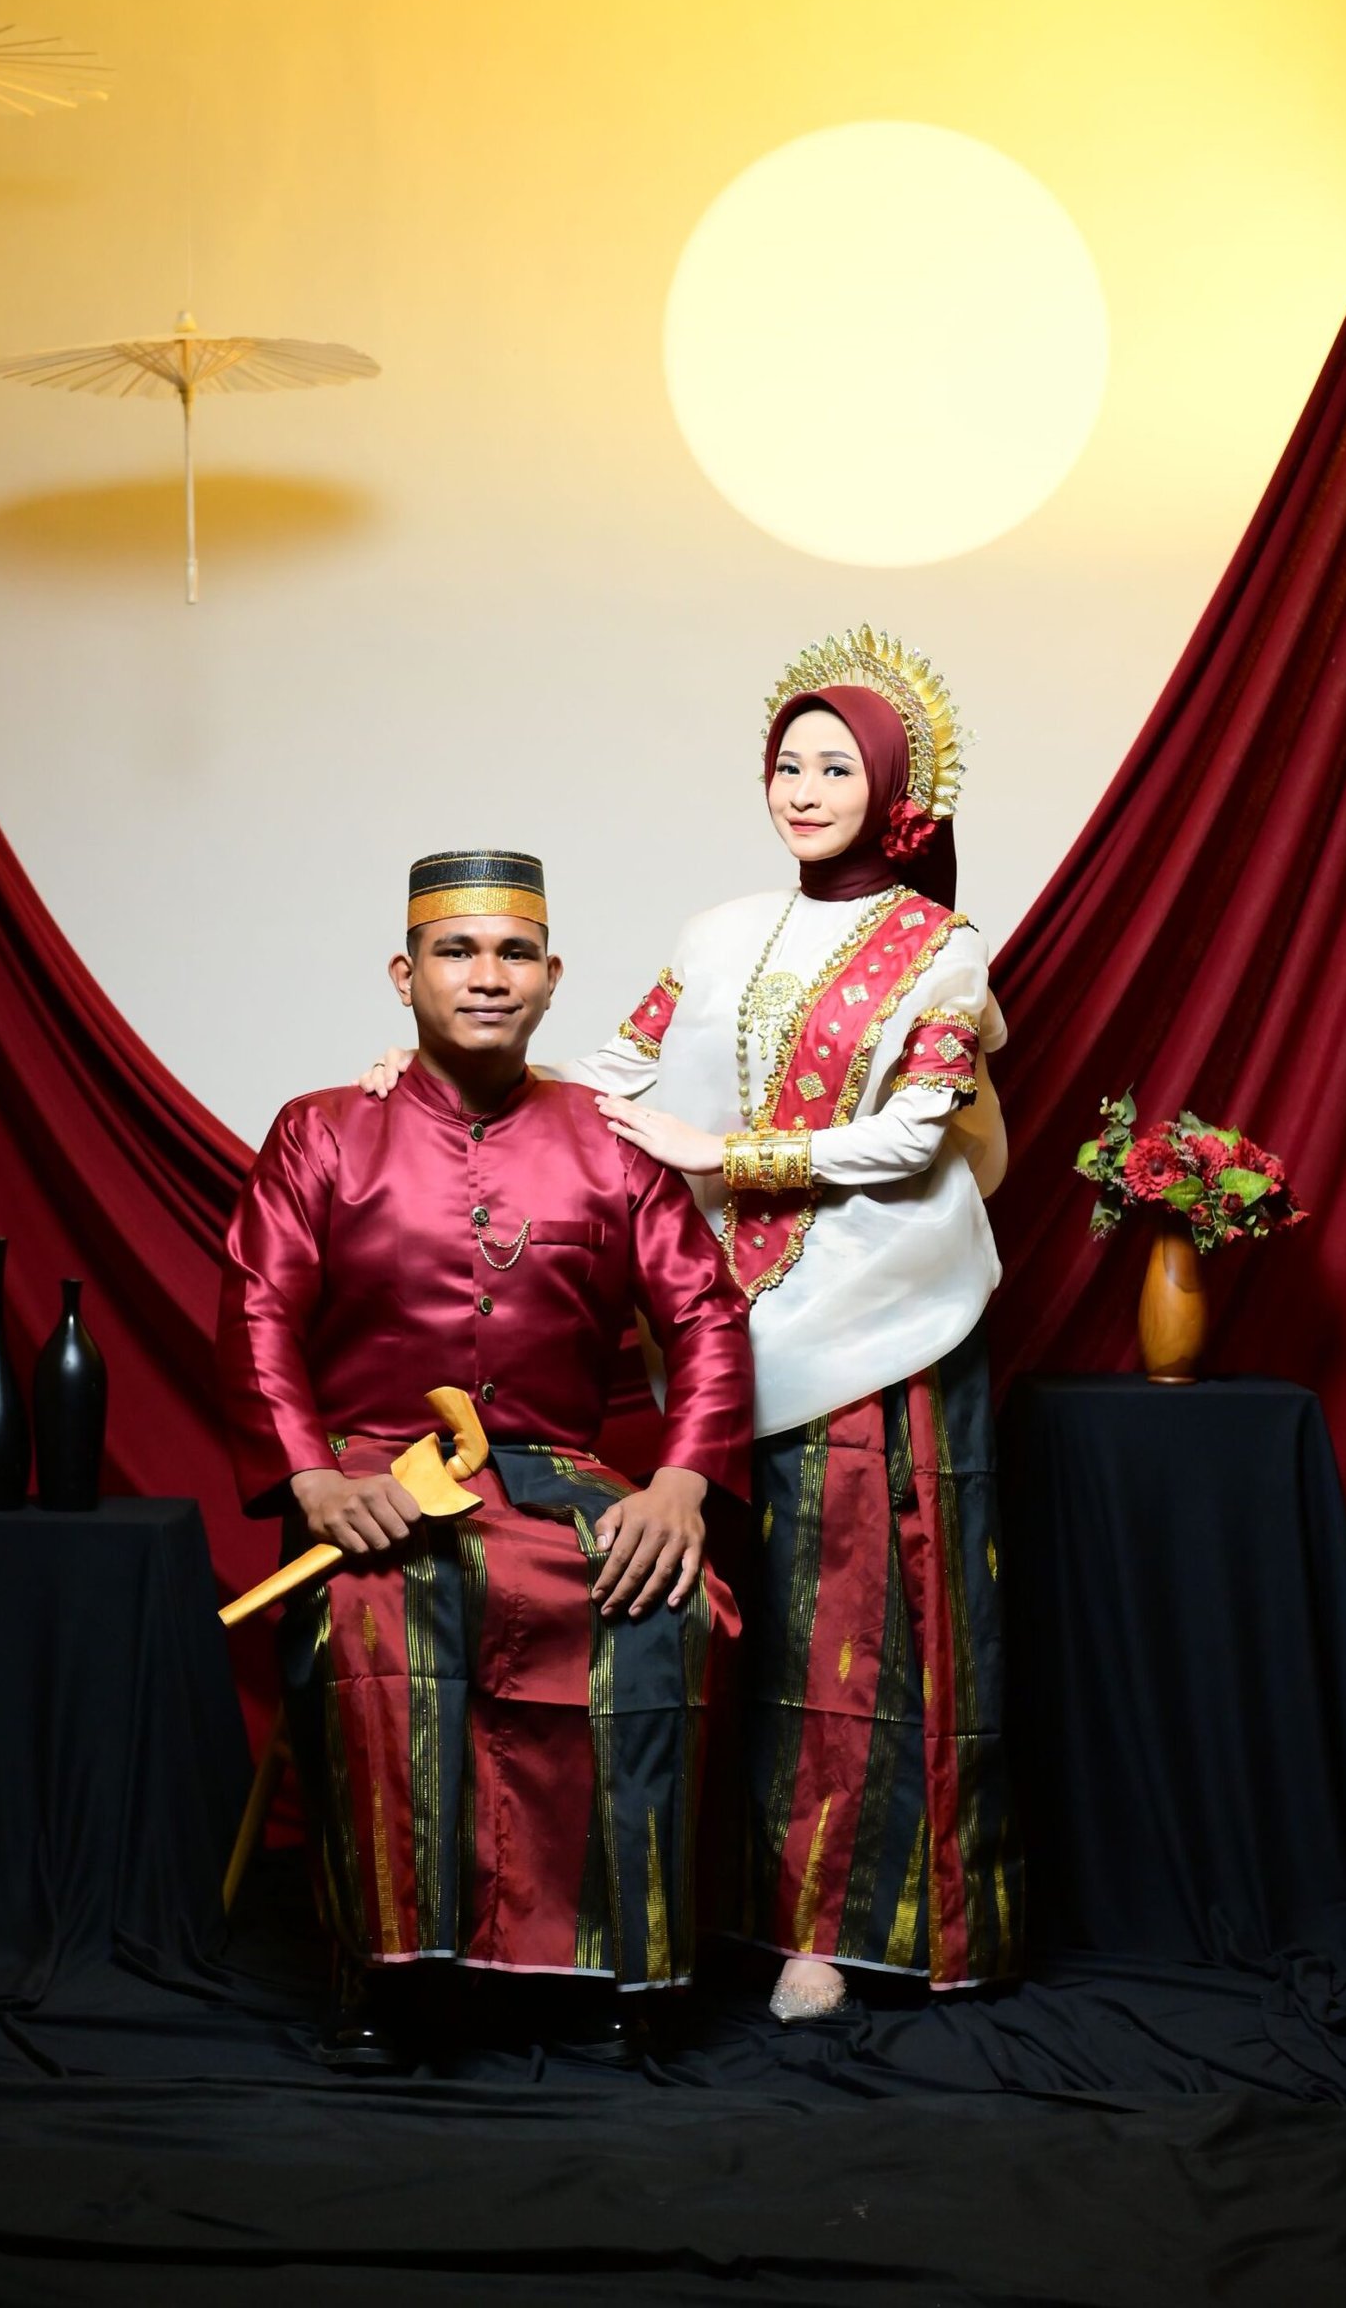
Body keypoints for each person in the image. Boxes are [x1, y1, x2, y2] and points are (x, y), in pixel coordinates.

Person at [362, 632, 1023, 2022]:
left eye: (836, 766)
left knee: (862, 1628)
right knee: (744, 1618)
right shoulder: (719, 931)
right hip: (737, 1323)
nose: (805, 789)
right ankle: (723, 1905)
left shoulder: (941, 952)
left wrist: (725, 1154)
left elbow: (917, 1135)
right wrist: (440, 1066)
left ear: (894, 787)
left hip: (885, 1319)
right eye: (788, 764)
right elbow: (614, 1070)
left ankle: (840, 1932)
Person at [218, 848, 752, 2067]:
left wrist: (680, 1484)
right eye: (456, 952)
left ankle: (625, 1966)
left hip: (555, 1474)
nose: (488, 976)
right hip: (376, 1476)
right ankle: (386, 1975)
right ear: (403, 975)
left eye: (515, 953)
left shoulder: (611, 1142)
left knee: (666, 1605)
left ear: (553, 978)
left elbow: (707, 1315)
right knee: (379, 1610)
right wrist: (314, 1481)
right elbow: (256, 1310)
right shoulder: (321, 1131)